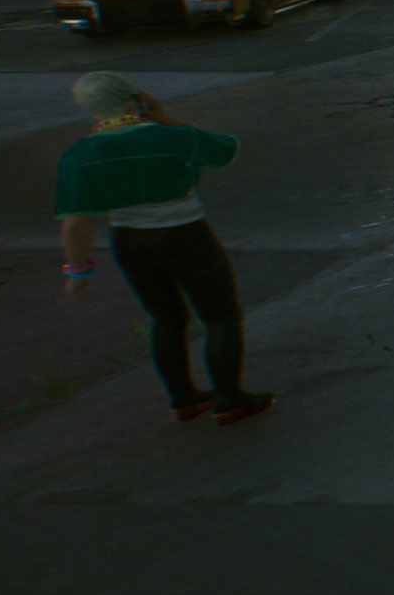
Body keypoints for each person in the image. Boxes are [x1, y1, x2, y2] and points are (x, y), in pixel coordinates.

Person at [56, 72, 275, 424]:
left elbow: (75, 223)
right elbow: (225, 151)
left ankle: (183, 398)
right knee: (220, 315)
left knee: (166, 318)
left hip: (129, 239)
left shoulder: (79, 156)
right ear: (136, 97)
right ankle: (230, 399)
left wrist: (77, 272)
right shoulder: (172, 136)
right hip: (185, 232)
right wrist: (165, 119)